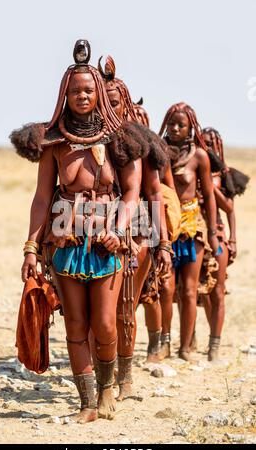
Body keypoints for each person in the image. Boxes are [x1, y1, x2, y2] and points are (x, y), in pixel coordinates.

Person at [11, 40, 144, 423]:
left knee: (104, 323)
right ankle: (86, 403)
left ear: (98, 91)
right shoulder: (55, 143)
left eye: (88, 90)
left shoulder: (120, 139)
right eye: (74, 91)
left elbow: (132, 191)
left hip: (108, 244)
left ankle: (107, 389)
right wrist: (31, 249)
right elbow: (41, 198)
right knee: (75, 325)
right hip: (66, 240)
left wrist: (119, 231)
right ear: (64, 95)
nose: (82, 96)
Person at [99, 55, 172, 398]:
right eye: (102, 101)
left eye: (112, 102)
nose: (106, 108)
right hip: (90, 224)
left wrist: (164, 243)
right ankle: (102, 379)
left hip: (136, 229)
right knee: (95, 309)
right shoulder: (84, 135)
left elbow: (154, 192)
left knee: (126, 305)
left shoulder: (139, 140)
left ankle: (124, 380)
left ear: (124, 103)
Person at [158, 102, 220, 361]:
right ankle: (164, 343)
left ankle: (185, 348)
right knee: (166, 286)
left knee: (189, 290)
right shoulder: (159, 153)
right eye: (171, 123)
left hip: (192, 227)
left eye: (180, 125)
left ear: (190, 127)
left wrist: (215, 231)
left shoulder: (199, 157)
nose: (174, 128)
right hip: (165, 225)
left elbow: (209, 195)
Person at [199, 127, 249, 360]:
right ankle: (191, 341)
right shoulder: (194, 165)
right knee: (198, 291)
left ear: (217, 145)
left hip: (216, 235)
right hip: (194, 233)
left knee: (217, 291)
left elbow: (229, 209)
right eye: (202, 141)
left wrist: (233, 238)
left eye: (209, 142)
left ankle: (214, 343)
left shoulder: (221, 175)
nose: (205, 146)